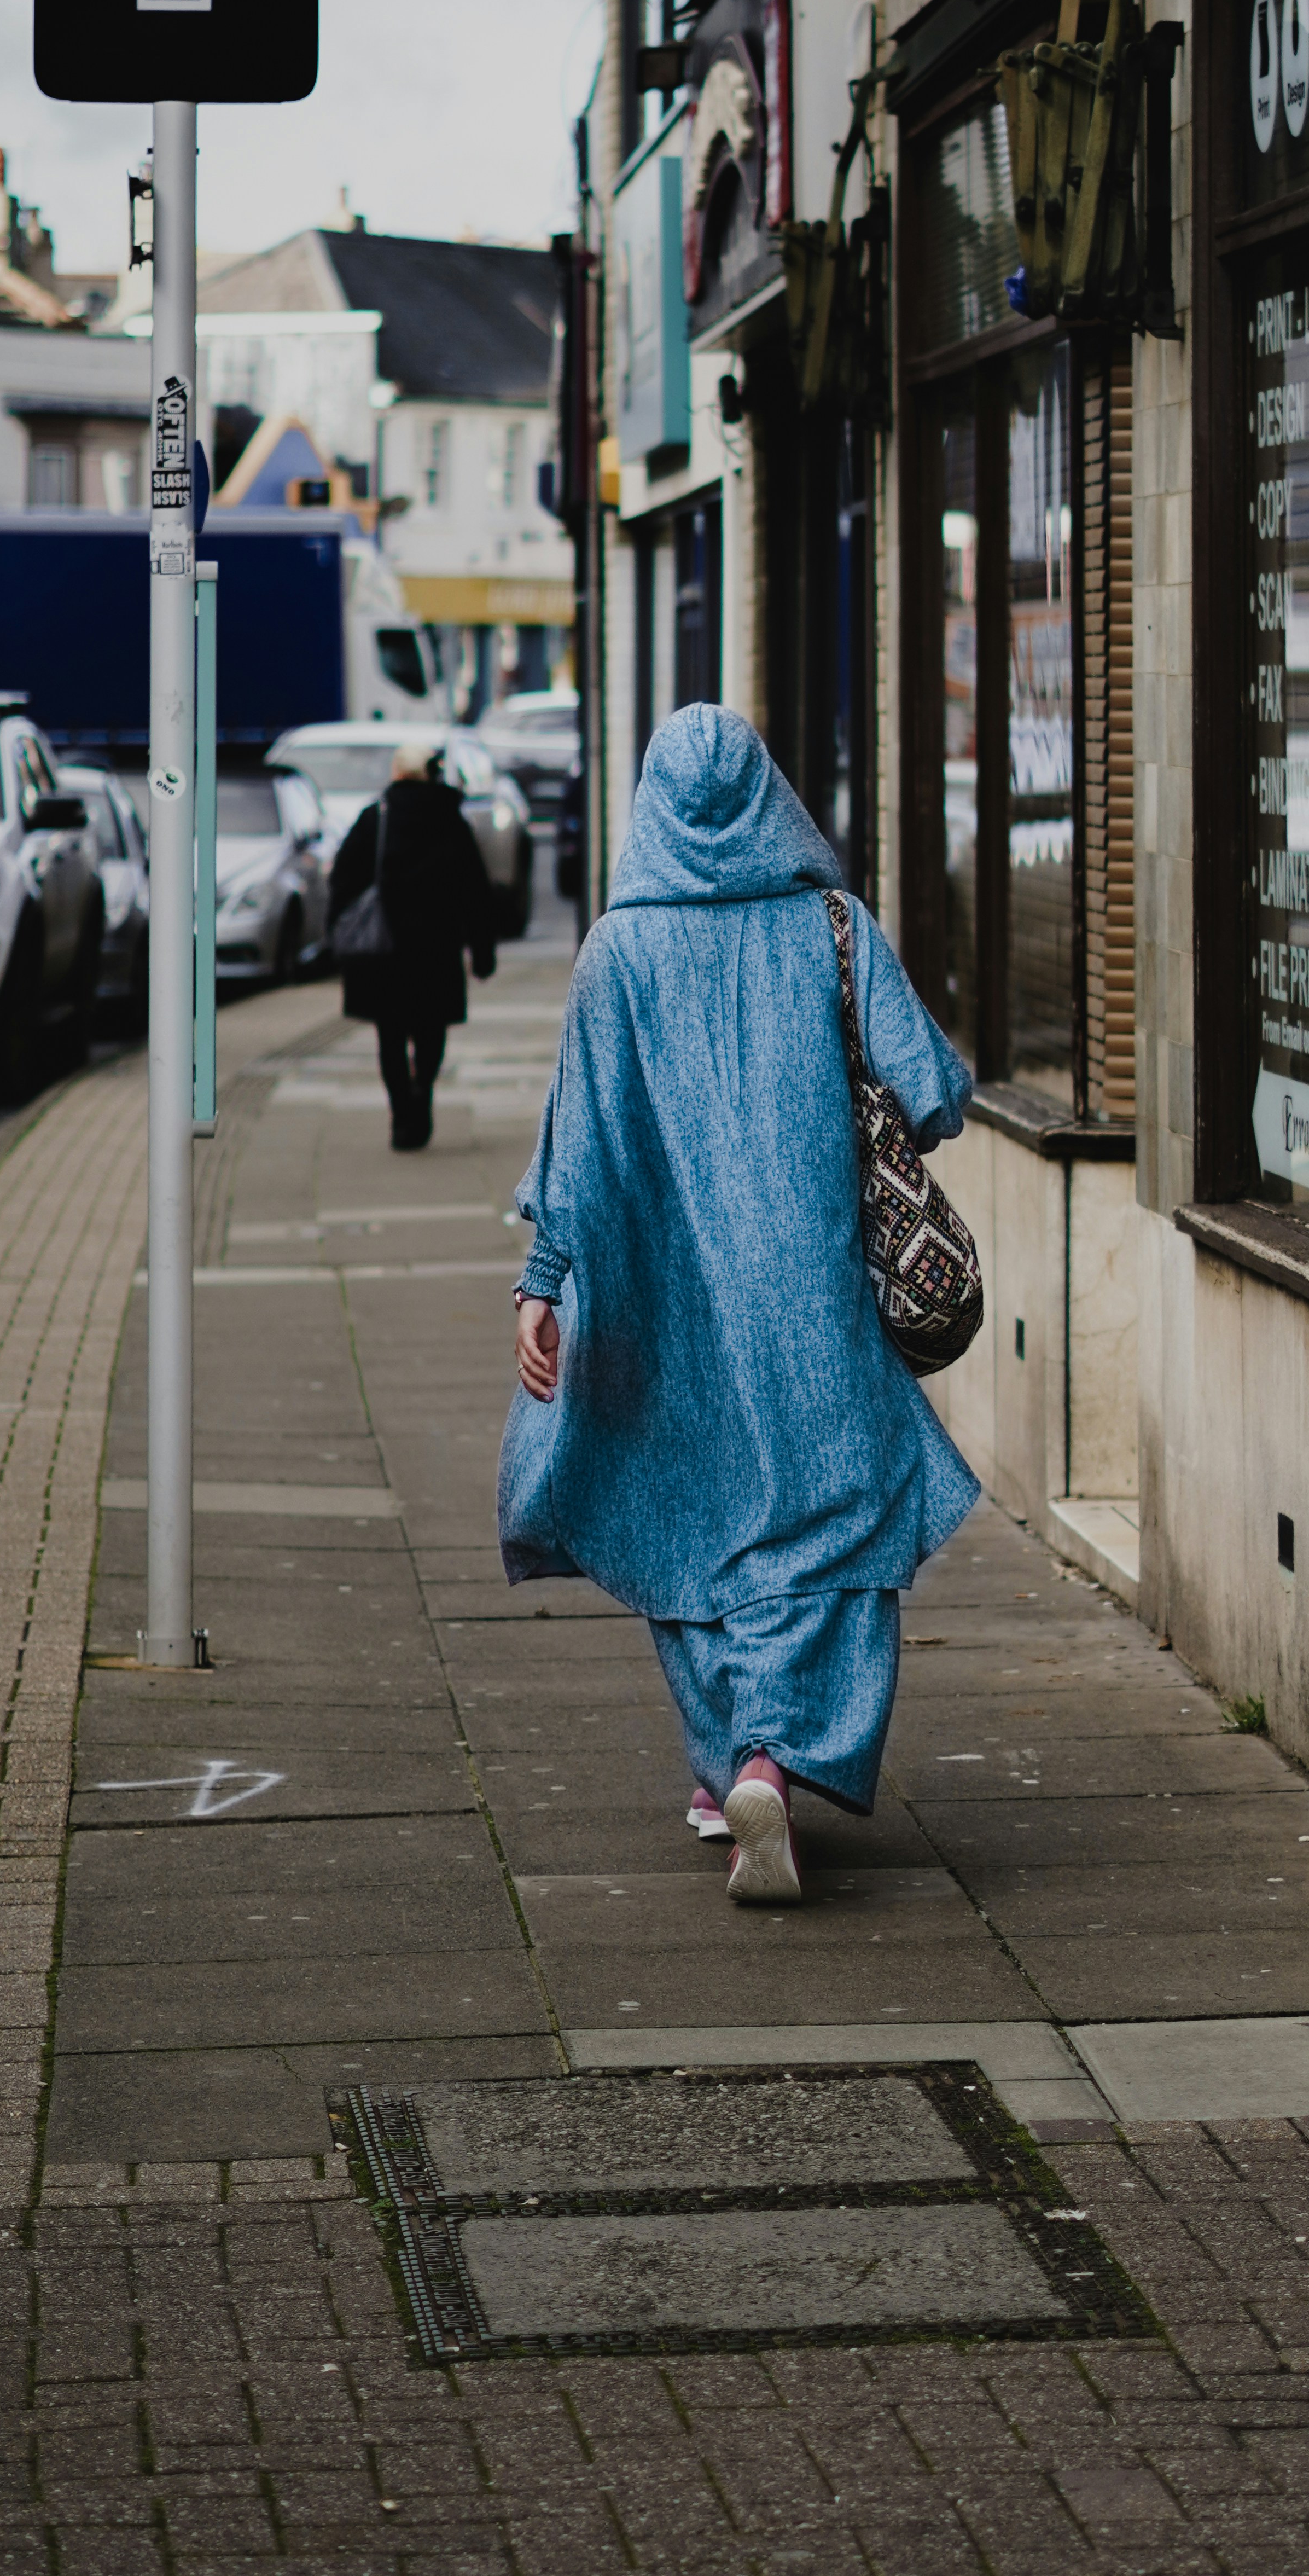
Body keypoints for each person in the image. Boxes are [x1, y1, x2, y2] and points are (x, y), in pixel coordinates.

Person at [500, 703, 979, 1905]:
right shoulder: (831, 925)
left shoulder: (615, 953)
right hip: (811, 1313)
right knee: (841, 1527)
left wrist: (542, 1287)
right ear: (770, 795)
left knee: (683, 1529)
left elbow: (578, 1147)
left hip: (664, 1317)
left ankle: (732, 1762)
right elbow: (929, 1091)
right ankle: (771, 1751)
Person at [328, 737, 497, 1151]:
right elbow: (475, 890)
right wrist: (482, 949)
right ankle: (423, 1090)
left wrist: (338, 936)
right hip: (437, 948)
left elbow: (342, 881)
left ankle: (403, 1113)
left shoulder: (375, 819)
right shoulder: (451, 820)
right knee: (431, 1030)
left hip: (384, 952)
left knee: (390, 1036)